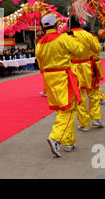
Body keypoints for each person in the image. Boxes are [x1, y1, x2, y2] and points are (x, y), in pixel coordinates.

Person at [36, 14, 84, 157]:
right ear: (56, 25)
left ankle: (69, 142)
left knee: (61, 109)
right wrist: (73, 38)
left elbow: (40, 65)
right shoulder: (63, 38)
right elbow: (79, 51)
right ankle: (56, 138)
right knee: (69, 110)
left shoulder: (39, 44)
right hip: (64, 76)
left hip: (49, 79)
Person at [69, 16, 103, 131]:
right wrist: (92, 37)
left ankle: (84, 123)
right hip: (89, 67)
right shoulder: (88, 35)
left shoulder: (67, 36)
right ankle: (96, 118)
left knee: (79, 95)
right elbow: (97, 49)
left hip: (74, 68)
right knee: (93, 92)